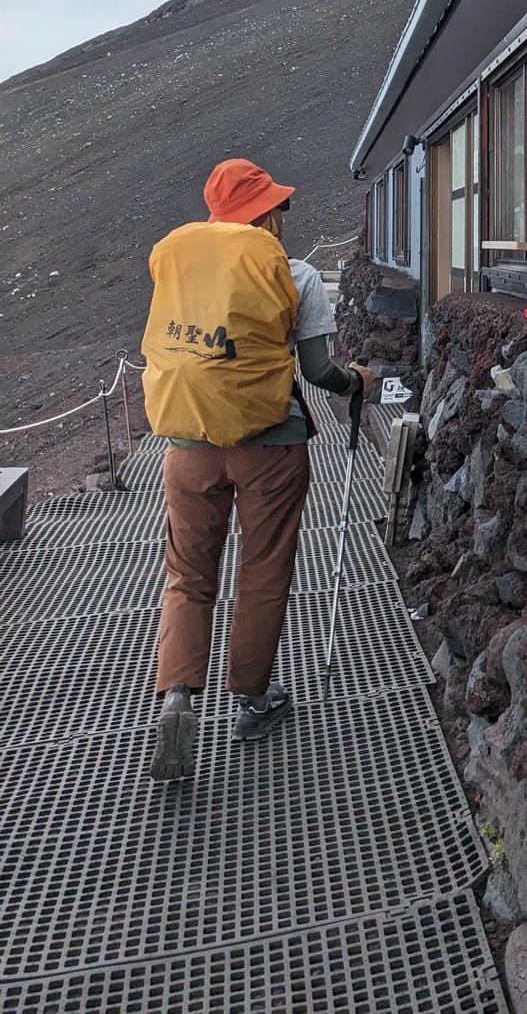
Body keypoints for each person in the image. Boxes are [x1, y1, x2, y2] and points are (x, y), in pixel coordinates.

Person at [144, 158, 374, 781]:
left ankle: (177, 695)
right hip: (271, 447)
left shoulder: (183, 264)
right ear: (264, 212)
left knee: (188, 574)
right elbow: (322, 373)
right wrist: (363, 382)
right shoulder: (295, 274)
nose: (282, 215)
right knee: (262, 569)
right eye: (278, 205)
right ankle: (252, 700)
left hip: (187, 443)